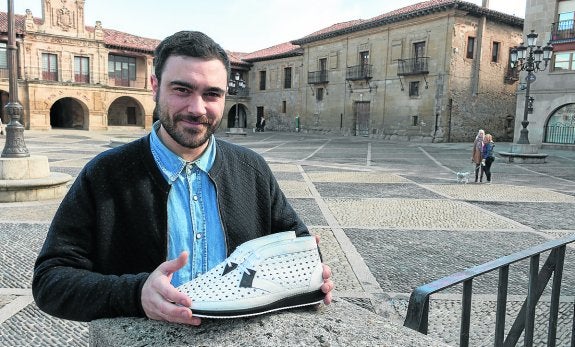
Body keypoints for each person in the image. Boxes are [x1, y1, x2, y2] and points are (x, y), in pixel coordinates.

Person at [32, 31, 333, 326]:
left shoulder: (252, 169)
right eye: (182, 90)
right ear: (155, 87)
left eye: (212, 94)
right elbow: (51, 280)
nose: (197, 108)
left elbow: (297, 243)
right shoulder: (104, 174)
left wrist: (309, 274)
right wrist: (136, 294)